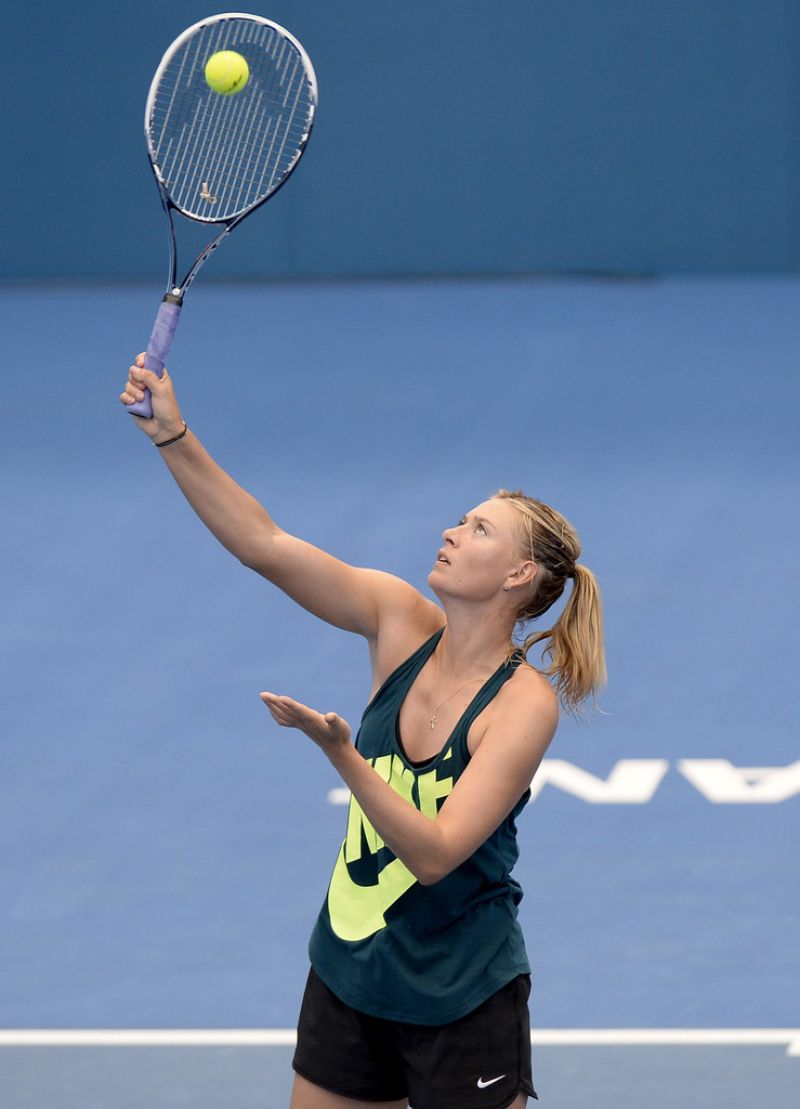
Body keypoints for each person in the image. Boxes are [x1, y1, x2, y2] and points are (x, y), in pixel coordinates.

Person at [120, 355, 606, 1109]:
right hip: (352, 968)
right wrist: (172, 434)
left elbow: (437, 854)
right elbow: (266, 545)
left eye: (478, 528)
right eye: (460, 516)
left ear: (518, 576)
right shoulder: (397, 618)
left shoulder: (522, 705)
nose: (450, 530)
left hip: (461, 991)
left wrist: (342, 752)